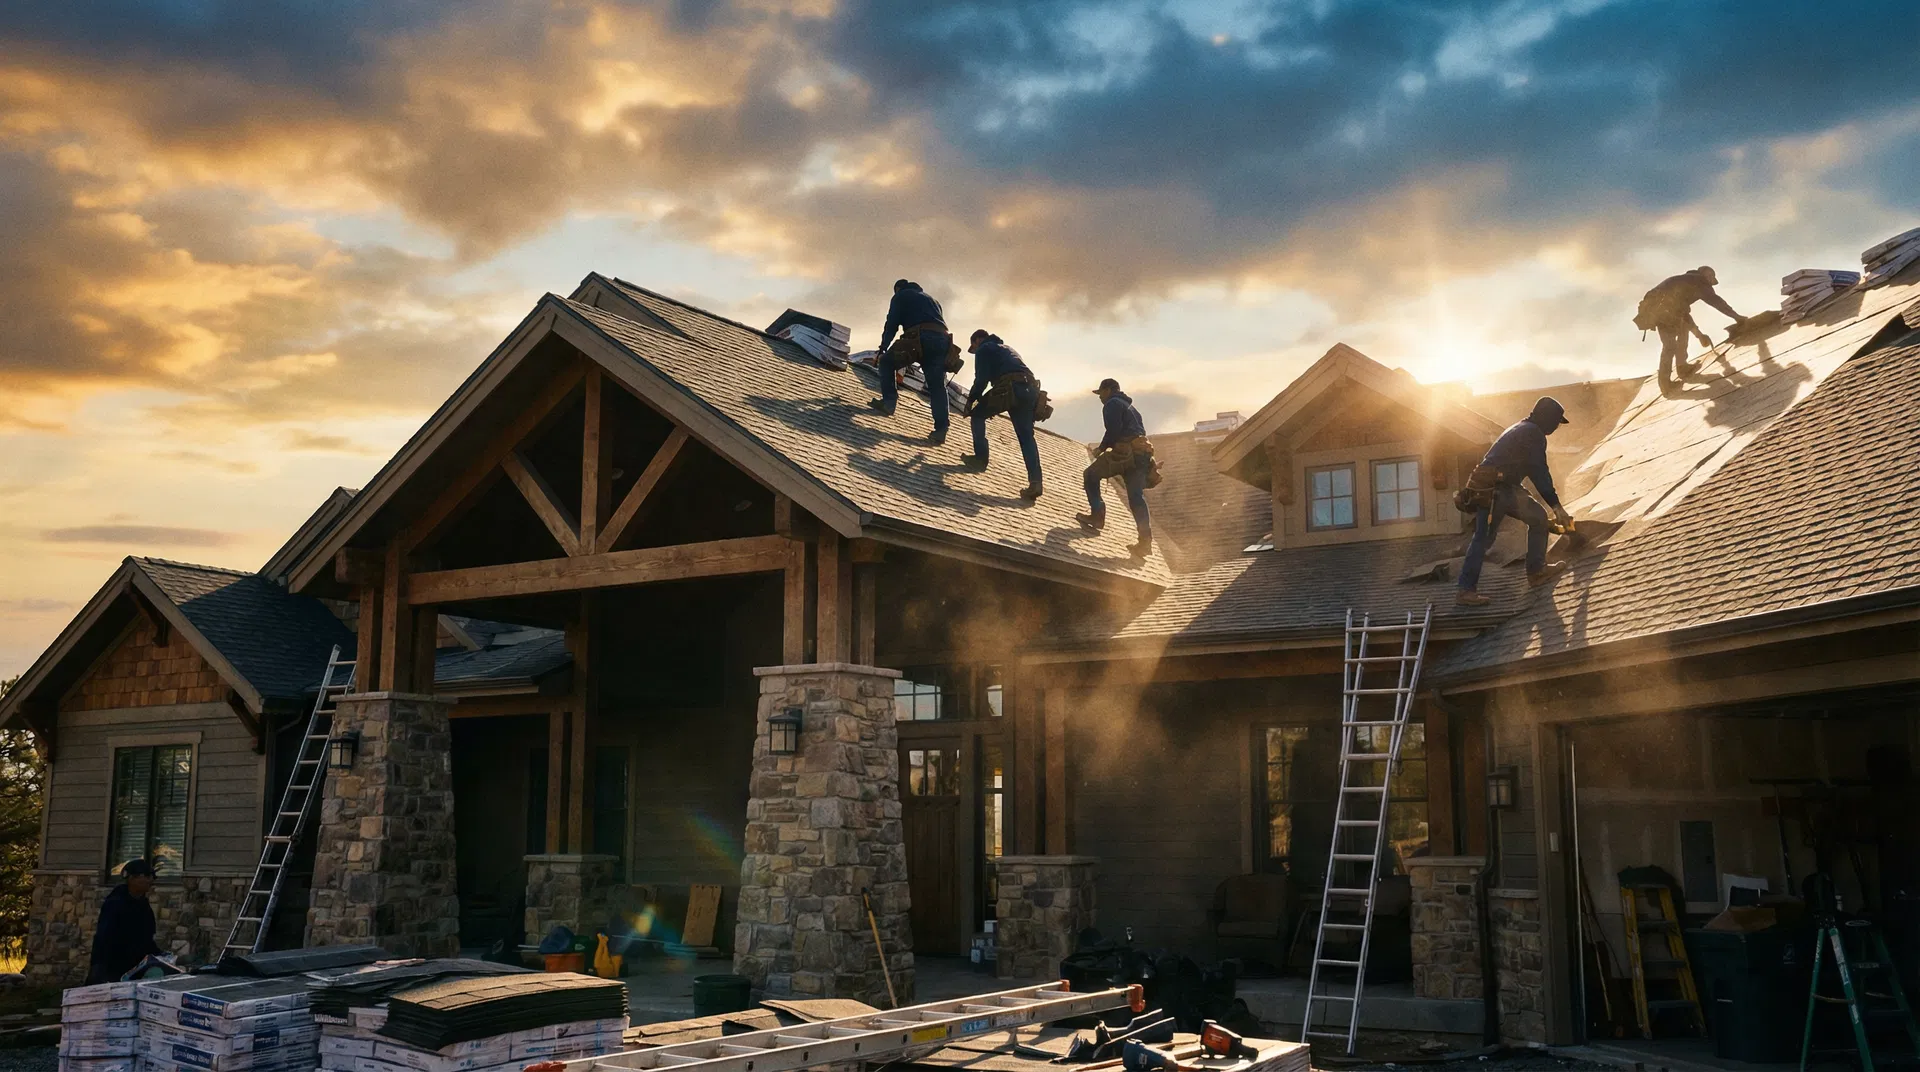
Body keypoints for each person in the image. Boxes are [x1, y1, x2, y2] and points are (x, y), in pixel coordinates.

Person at [1456, 397, 1574, 606]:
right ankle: (1466, 591)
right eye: (1556, 421)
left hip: (1506, 487)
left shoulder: (1522, 428)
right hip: (1493, 489)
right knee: (1484, 538)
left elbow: (1528, 469)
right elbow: (1539, 472)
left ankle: (1537, 571)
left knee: (1538, 518)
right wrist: (1557, 507)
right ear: (1546, 418)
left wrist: (1554, 508)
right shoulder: (1533, 433)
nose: (1556, 427)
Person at [1076, 378, 1154, 558]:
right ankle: (1145, 542)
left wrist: (1101, 449)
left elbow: (1113, 431)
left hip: (1125, 452)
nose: (1100, 397)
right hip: (1142, 454)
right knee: (1136, 497)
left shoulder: (1112, 404)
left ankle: (1097, 515)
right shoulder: (1132, 409)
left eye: (1101, 393)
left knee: (1090, 475)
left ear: (1109, 390)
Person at [960, 330, 1043, 499]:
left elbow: (981, 379)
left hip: (1009, 387)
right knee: (1026, 437)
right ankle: (1036, 482)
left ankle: (980, 458)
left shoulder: (985, 348)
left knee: (977, 415)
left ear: (978, 340)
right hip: (1030, 390)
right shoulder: (1008, 349)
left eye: (974, 347)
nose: (975, 351)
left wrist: (971, 402)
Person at [869, 279, 952, 445]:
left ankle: (889, 403)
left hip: (919, 337)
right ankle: (941, 430)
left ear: (898, 289)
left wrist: (883, 347)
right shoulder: (933, 301)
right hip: (942, 341)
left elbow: (891, 323)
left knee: (886, 362)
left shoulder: (901, 295)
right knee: (937, 386)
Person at [1635, 266, 1746, 389]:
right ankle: (1670, 380)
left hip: (1661, 314)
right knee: (1671, 345)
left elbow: (1684, 315)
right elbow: (1716, 302)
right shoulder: (1699, 281)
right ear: (1706, 274)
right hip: (1665, 313)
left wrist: (1699, 335)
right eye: (1711, 277)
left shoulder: (1686, 282)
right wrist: (1736, 317)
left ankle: (1678, 371)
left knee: (1676, 337)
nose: (1711, 281)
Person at [87, 859, 162, 984]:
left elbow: (146, 938)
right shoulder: (115, 903)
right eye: (147, 876)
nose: (151, 881)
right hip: (114, 969)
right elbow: (104, 938)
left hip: (136, 970)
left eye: (152, 877)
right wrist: (99, 968)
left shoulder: (143, 905)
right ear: (131, 878)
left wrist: (159, 956)